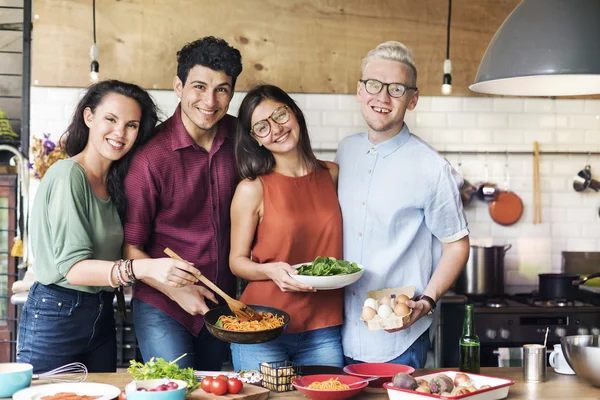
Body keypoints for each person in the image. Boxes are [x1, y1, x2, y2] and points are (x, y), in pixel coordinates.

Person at [16, 80, 202, 374]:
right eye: (111, 119)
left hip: (102, 312)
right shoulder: (68, 176)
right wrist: (146, 268)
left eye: (131, 125)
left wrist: (177, 287)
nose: (120, 133)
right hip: (58, 315)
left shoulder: (114, 183)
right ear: (88, 117)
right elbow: (74, 269)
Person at [335, 41, 470, 367]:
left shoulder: (431, 167)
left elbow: (457, 245)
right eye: (374, 85)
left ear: (413, 99)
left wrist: (427, 301)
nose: (382, 98)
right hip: (337, 334)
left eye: (396, 89)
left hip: (399, 339)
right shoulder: (346, 151)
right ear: (359, 91)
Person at [122, 37, 243, 370]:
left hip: (222, 304)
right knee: (172, 390)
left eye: (222, 89)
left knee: (212, 392)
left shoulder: (240, 139)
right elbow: (129, 248)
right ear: (179, 86)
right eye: (199, 86)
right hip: (164, 304)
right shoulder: (150, 158)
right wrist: (176, 291)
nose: (210, 100)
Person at [229, 84, 344, 370]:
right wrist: (268, 270)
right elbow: (236, 262)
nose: (276, 129)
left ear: (294, 113)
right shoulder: (252, 188)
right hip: (261, 326)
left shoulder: (332, 174)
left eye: (279, 115)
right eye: (262, 127)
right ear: (255, 139)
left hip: (323, 327)